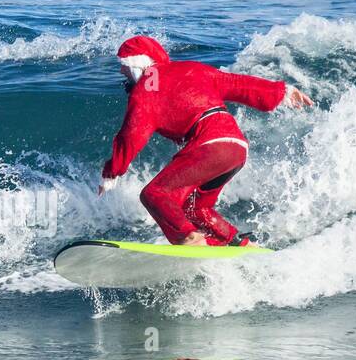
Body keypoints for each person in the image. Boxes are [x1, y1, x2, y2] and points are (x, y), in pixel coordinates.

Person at [101, 35, 313, 246]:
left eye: (123, 64)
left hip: (210, 145)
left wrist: (113, 172)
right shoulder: (192, 69)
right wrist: (281, 92)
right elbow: (239, 84)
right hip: (236, 147)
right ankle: (238, 244)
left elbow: (132, 133)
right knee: (195, 210)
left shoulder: (148, 86)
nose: (121, 71)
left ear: (138, 63)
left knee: (154, 194)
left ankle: (189, 239)